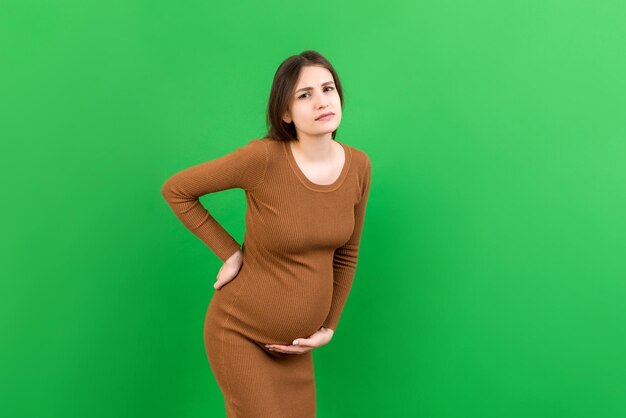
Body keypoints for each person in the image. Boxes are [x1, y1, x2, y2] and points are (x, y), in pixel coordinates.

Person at [161, 50, 372, 417]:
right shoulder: (263, 160)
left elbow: (347, 254)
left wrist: (328, 326)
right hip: (240, 334)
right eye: (304, 94)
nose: (321, 101)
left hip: (294, 348)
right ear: (285, 113)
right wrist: (230, 252)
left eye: (328, 88)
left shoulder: (358, 166)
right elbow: (177, 190)